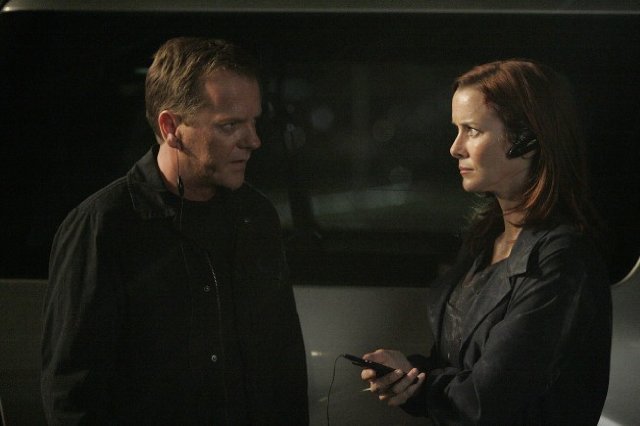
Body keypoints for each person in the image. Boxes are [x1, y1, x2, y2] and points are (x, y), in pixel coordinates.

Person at [41, 37, 309, 425]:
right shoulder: (104, 227)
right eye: (230, 125)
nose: (254, 141)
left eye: (254, 121)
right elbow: (73, 394)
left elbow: (284, 363)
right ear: (171, 127)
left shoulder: (255, 215)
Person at [360, 59, 612, 425]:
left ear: (526, 141)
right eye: (456, 130)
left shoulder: (562, 259)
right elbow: (463, 365)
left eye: (472, 130)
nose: (455, 148)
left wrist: (420, 389)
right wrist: (408, 375)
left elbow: (489, 397)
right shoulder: (484, 241)